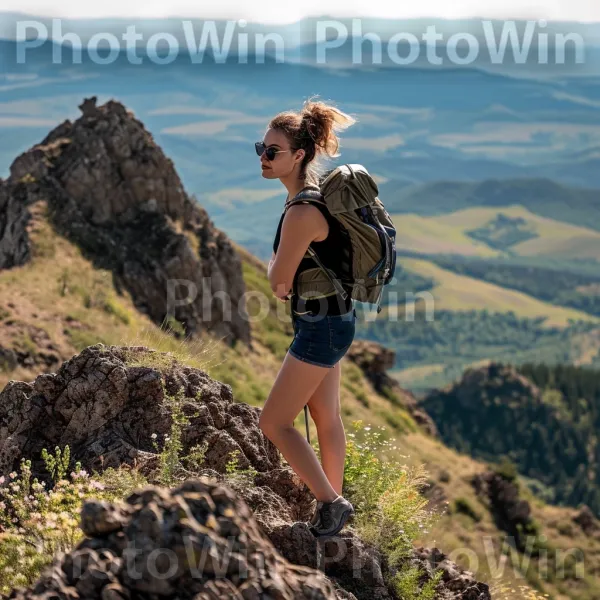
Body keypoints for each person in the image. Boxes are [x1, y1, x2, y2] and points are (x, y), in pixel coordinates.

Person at [256, 97, 357, 537]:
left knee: (273, 422)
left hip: (319, 327)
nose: (263, 156)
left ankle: (332, 505)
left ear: (298, 155)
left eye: (272, 151)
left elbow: (278, 283)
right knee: (325, 420)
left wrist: (276, 264)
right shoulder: (315, 200)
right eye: (260, 147)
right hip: (336, 321)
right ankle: (334, 509)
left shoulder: (300, 212)